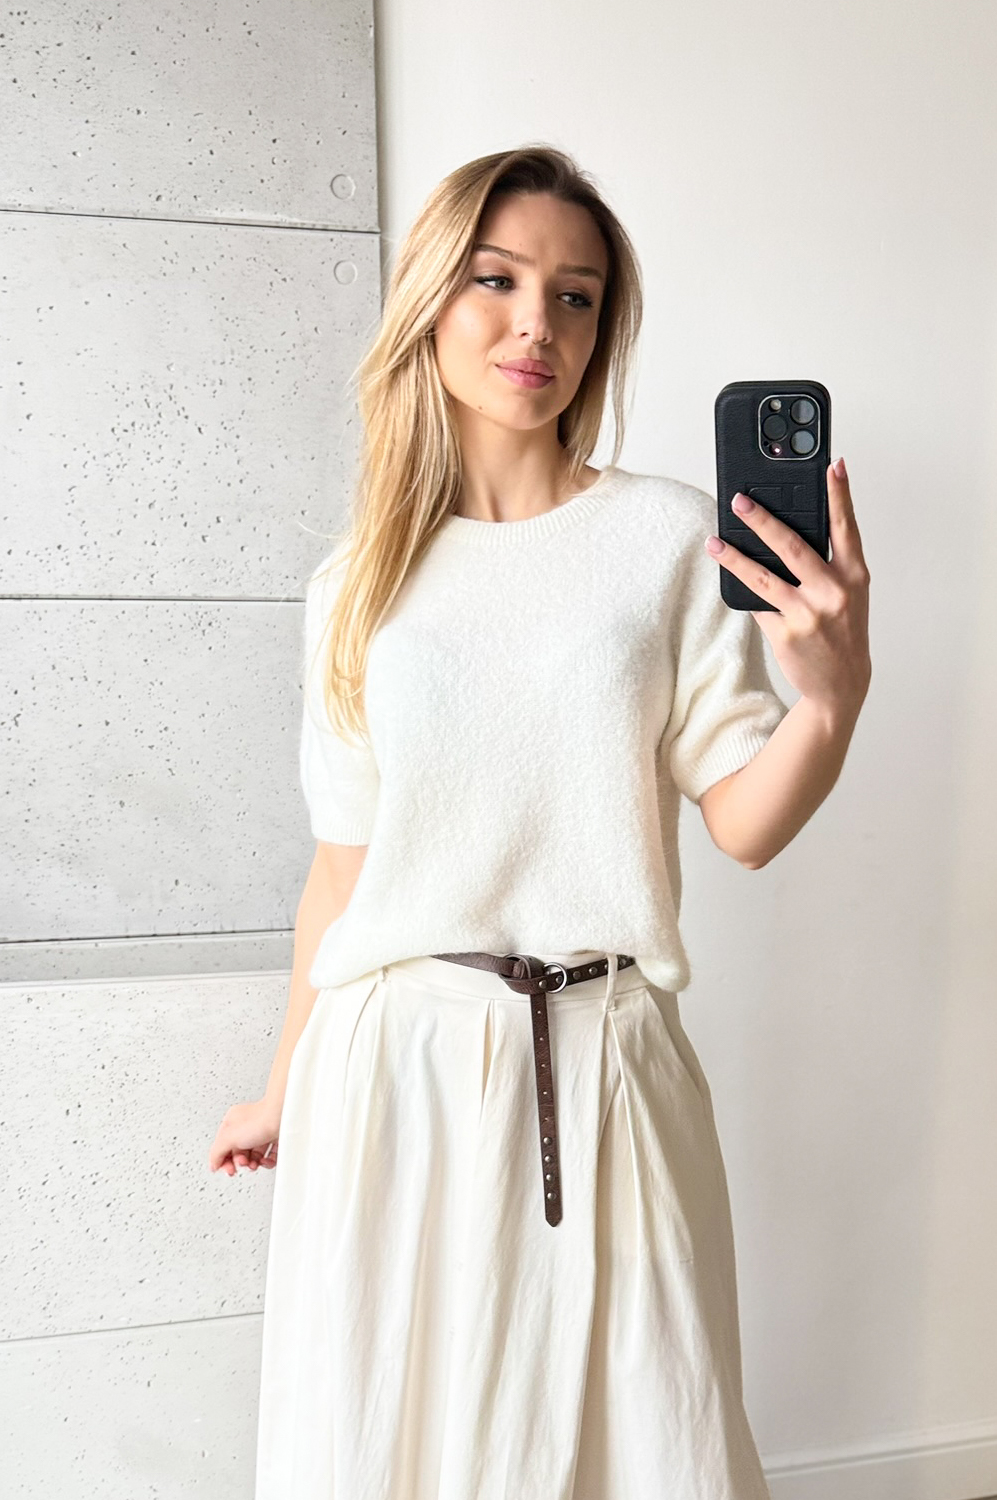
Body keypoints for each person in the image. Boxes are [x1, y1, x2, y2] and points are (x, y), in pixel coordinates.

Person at [208, 144, 871, 1500]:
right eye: (497, 281)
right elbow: (340, 874)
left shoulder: (668, 539)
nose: (537, 326)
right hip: (394, 1074)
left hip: (608, 1061)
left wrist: (830, 697)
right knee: (393, 1446)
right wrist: (283, 1088)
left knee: (652, 1437)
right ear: (429, 300)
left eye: (576, 297)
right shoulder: (356, 583)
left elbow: (744, 824)